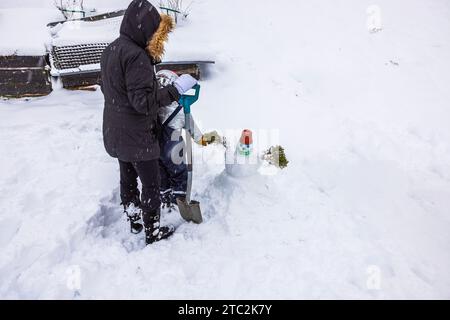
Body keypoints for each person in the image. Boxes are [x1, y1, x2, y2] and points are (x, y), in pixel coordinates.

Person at [100, 0, 198, 245]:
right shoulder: (137, 57)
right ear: (143, 28)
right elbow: (143, 103)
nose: (156, 37)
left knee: (127, 178)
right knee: (151, 184)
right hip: (137, 135)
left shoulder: (111, 50)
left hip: (115, 131)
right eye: (155, 32)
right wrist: (175, 90)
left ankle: (134, 220)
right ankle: (152, 233)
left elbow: (112, 90)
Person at [155, 70, 222, 209]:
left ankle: (164, 197)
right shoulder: (181, 111)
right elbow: (196, 135)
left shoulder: (154, 107)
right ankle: (179, 200)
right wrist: (206, 140)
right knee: (178, 172)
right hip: (172, 147)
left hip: (154, 146)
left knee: (161, 172)